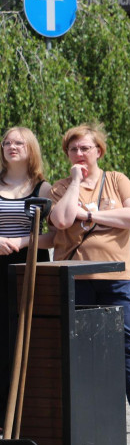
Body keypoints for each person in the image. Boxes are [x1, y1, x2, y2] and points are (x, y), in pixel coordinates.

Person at [48, 123, 130, 435]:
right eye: (73, 149)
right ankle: (84, 416)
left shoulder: (117, 180)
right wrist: (76, 182)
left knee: (127, 345)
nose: (79, 154)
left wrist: (91, 215)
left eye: (85, 148)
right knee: (78, 348)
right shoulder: (61, 186)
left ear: (99, 151)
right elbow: (63, 220)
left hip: (115, 278)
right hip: (73, 279)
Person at [0, 127, 53, 406]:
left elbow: (55, 236)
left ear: (30, 148)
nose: (11, 147)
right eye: (6, 142)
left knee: (25, 335)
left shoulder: (43, 187)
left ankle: (25, 405)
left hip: (29, 264)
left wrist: (20, 241)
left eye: (18, 143)